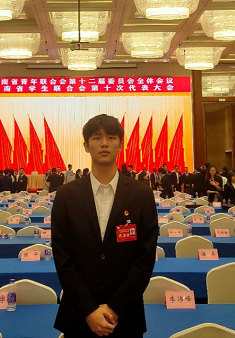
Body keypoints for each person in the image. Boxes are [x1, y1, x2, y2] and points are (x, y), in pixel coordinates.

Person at [51, 114, 158, 337]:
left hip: (126, 316)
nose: (104, 143)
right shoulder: (66, 195)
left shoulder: (141, 194)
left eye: (111, 137)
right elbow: (62, 257)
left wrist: (115, 308)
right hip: (78, 315)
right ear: (86, 145)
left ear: (121, 144)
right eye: (97, 138)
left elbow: (145, 258)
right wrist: (89, 310)